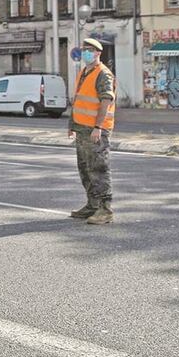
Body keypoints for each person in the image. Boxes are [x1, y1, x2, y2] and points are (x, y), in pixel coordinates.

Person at [68, 37, 116, 225]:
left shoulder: (103, 74)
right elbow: (79, 100)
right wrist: (71, 125)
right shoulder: (84, 72)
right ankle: (93, 204)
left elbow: (106, 101)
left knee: (99, 169)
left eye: (90, 50)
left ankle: (105, 210)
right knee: (85, 168)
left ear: (98, 53)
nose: (86, 53)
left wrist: (98, 127)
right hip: (82, 129)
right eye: (84, 50)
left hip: (96, 130)